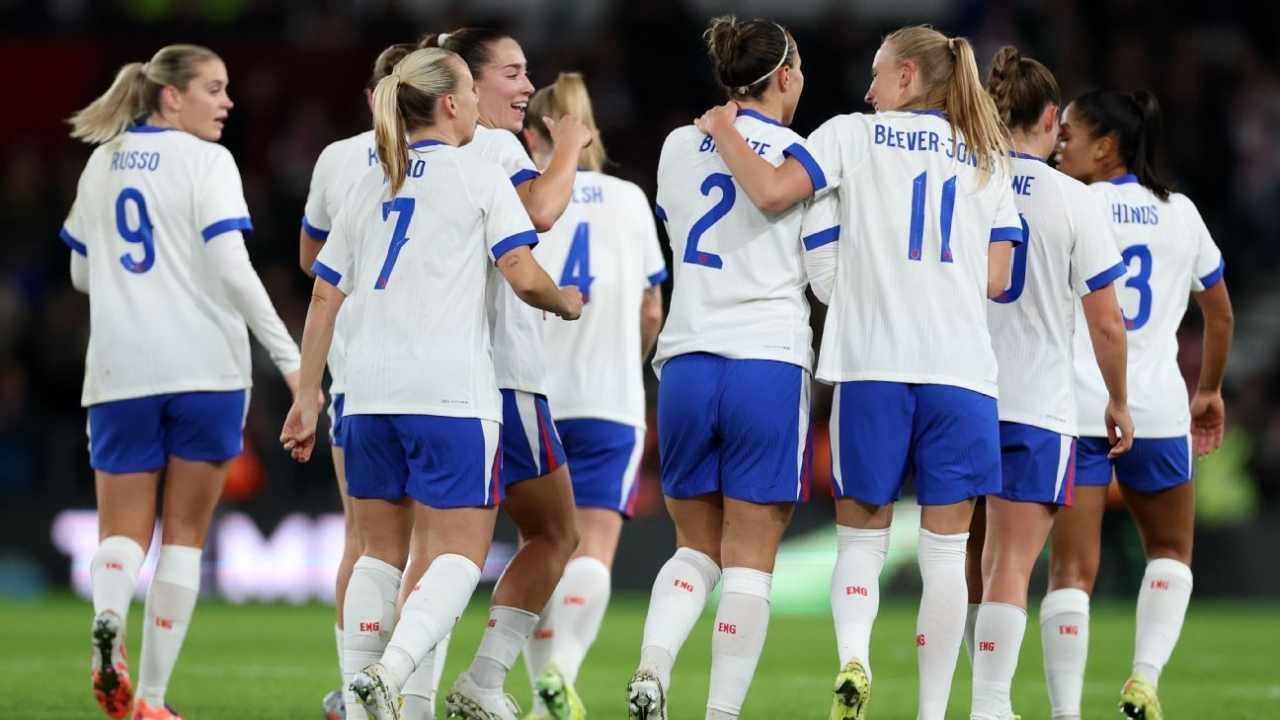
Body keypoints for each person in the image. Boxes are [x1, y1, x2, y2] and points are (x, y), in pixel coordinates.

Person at [696, 24, 1022, 720]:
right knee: (944, 558)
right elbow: (999, 280)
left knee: (862, 540)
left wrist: (725, 132)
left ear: (907, 77)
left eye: (878, 74)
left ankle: (854, 658)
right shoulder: (989, 155)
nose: (867, 89)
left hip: (873, 365)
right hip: (962, 376)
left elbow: (779, 192)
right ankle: (934, 711)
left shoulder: (851, 134)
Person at [278, 47, 582, 720]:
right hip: (448, 395)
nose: (478, 101)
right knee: (456, 555)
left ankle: (361, 703)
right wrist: (565, 302)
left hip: (366, 395)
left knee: (377, 555)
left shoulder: (367, 183)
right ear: (449, 103)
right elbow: (523, 273)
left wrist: (307, 394)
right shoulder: (478, 177)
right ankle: (389, 675)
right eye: (472, 89)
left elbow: (324, 296)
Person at [62, 44, 303, 720]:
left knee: (121, 530)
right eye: (214, 89)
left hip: (119, 369)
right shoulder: (208, 161)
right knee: (186, 534)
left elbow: (81, 274)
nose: (227, 103)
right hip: (204, 369)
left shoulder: (100, 160)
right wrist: (290, 362)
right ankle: (154, 702)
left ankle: (109, 622)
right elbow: (232, 267)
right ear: (172, 97)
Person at [626, 16, 813, 720]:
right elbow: (824, 275)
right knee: (750, 558)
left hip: (686, 362)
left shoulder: (678, 144)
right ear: (787, 75)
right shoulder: (804, 156)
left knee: (693, 546)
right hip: (766, 360)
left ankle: (653, 666)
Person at [415, 28, 594, 720]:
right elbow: (540, 213)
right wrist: (571, 146)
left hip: (423, 377)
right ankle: (479, 682)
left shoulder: (402, 156)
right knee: (554, 534)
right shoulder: (491, 146)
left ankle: (402, 692)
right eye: (514, 74)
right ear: (467, 82)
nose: (526, 88)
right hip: (501, 376)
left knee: (423, 550)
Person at [1045, 89, 1234, 720]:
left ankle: (1067, 714)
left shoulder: (1067, 202)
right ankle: (1143, 680)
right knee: (1172, 553)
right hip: (1156, 410)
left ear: (1106, 145)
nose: (1058, 141)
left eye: (1068, 132)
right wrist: (1207, 389)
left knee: (1070, 573)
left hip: (1075, 406)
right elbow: (1221, 313)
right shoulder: (1181, 213)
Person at [962, 46, 1134, 720]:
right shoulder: (1075, 200)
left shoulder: (965, 183)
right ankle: (990, 705)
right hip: (1036, 404)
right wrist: (1117, 399)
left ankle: (944, 701)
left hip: (958, 394)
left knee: (959, 562)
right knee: (1009, 564)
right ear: (1054, 120)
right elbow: (1107, 323)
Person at [518, 71, 668, 720]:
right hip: (609, 399)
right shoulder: (630, 201)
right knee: (594, 545)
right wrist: (626, 363)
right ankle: (562, 670)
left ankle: (533, 687)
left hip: (533, 394)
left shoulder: (522, 199)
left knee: (541, 544)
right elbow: (651, 311)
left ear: (534, 133)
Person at [298, 42, 416, 720]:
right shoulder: (461, 159)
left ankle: (357, 686)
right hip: (440, 378)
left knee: (362, 539)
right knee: (433, 542)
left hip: (355, 374)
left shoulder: (337, 158)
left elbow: (314, 259)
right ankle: (404, 683)